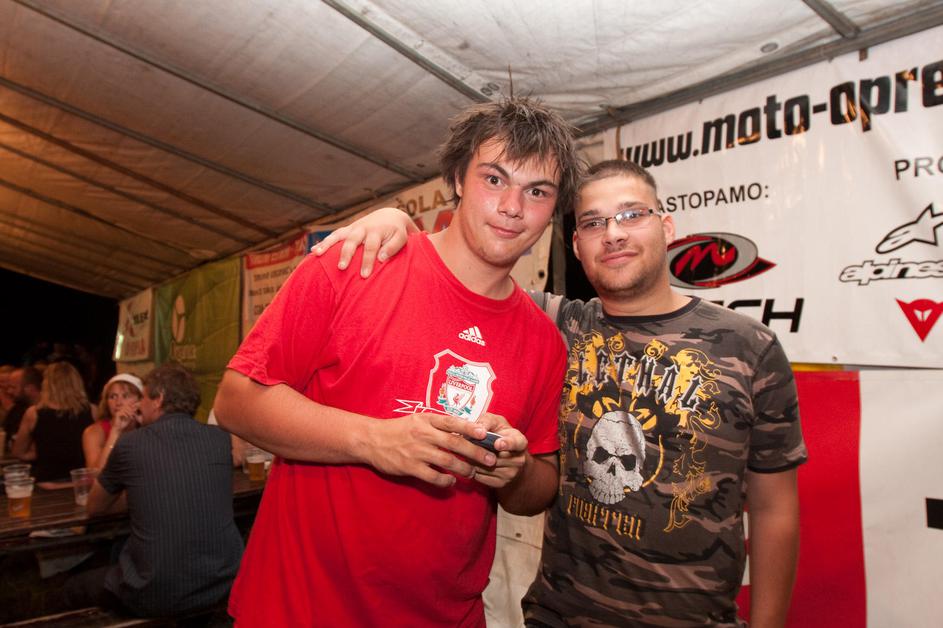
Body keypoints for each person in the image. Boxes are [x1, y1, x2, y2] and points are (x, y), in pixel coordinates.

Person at [316, 159, 808, 627]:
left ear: (667, 227)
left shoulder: (749, 347)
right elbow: (460, 277)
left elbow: (774, 510)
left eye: (631, 215)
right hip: (560, 614)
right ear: (576, 246)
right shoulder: (554, 326)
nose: (613, 233)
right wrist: (396, 222)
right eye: (593, 223)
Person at [213, 97, 581, 627]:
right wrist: (373, 440)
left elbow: (537, 488)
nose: (512, 207)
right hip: (301, 610)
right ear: (457, 178)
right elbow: (235, 401)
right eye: (494, 179)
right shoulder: (356, 263)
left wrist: (514, 470)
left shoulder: (544, 342)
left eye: (537, 191)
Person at [68, 363, 243, 618]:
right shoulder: (219, 439)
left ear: (158, 399)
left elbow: (94, 507)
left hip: (155, 591)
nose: (139, 405)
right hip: (222, 583)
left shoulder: (131, 444)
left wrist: (137, 494)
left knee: (73, 587)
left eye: (143, 397)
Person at [12, 362, 92, 482]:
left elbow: (18, 452)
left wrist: (43, 452)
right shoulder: (92, 411)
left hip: (48, 482)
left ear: (47, 384)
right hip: (81, 482)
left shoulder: (33, 413)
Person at [83, 373, 143, 470]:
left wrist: (147, 425)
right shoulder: (94, 432)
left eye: (125, 396)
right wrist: (115, 431)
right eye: (113, 397)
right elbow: (96, 473)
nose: (118, 403)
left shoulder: (146, 426)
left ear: (140, 400)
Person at [3, 365, 42, 452]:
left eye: (13, 387)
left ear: (30, 389)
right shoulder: (16, 410)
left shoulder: (45, 414)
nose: (9, 391)